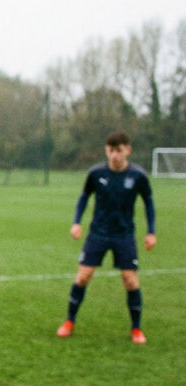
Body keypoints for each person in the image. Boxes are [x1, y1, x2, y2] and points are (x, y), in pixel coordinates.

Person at [56, 131, 156, 344]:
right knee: (83, 277)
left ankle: (136, 329)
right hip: (98, 233)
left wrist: (151, 232)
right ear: (106, 150)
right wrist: (76, 222)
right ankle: (69, 322)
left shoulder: (137, 176)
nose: (114, 155)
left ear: (128, 150)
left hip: (124, 235)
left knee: (130, 281)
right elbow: (84, 197)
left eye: (119, 151)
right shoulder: (96, 173)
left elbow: (149, 203)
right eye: (111, 150)